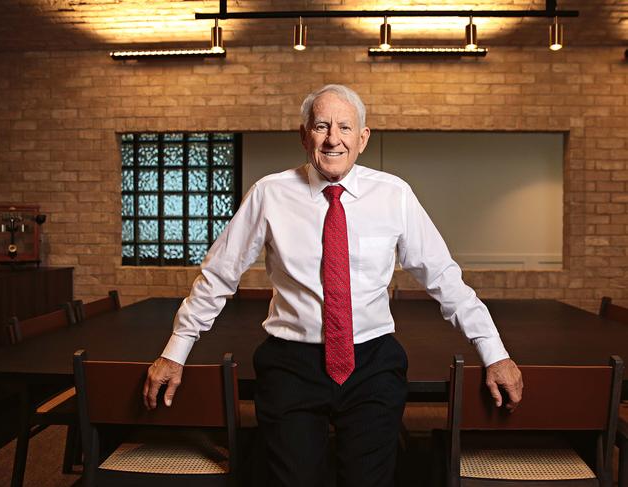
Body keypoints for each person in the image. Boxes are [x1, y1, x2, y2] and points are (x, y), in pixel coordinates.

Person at [143, 84, 523, 487]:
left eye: (345, 127)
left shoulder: (394, 195)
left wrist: (494, 352)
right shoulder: (270, 194)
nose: (333, 138)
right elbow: (219, 275)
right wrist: (175, 351)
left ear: (363, 137)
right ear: (304, 135)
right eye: (321, 126)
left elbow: (445, 278)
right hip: (290, 364)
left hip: (373, 363)